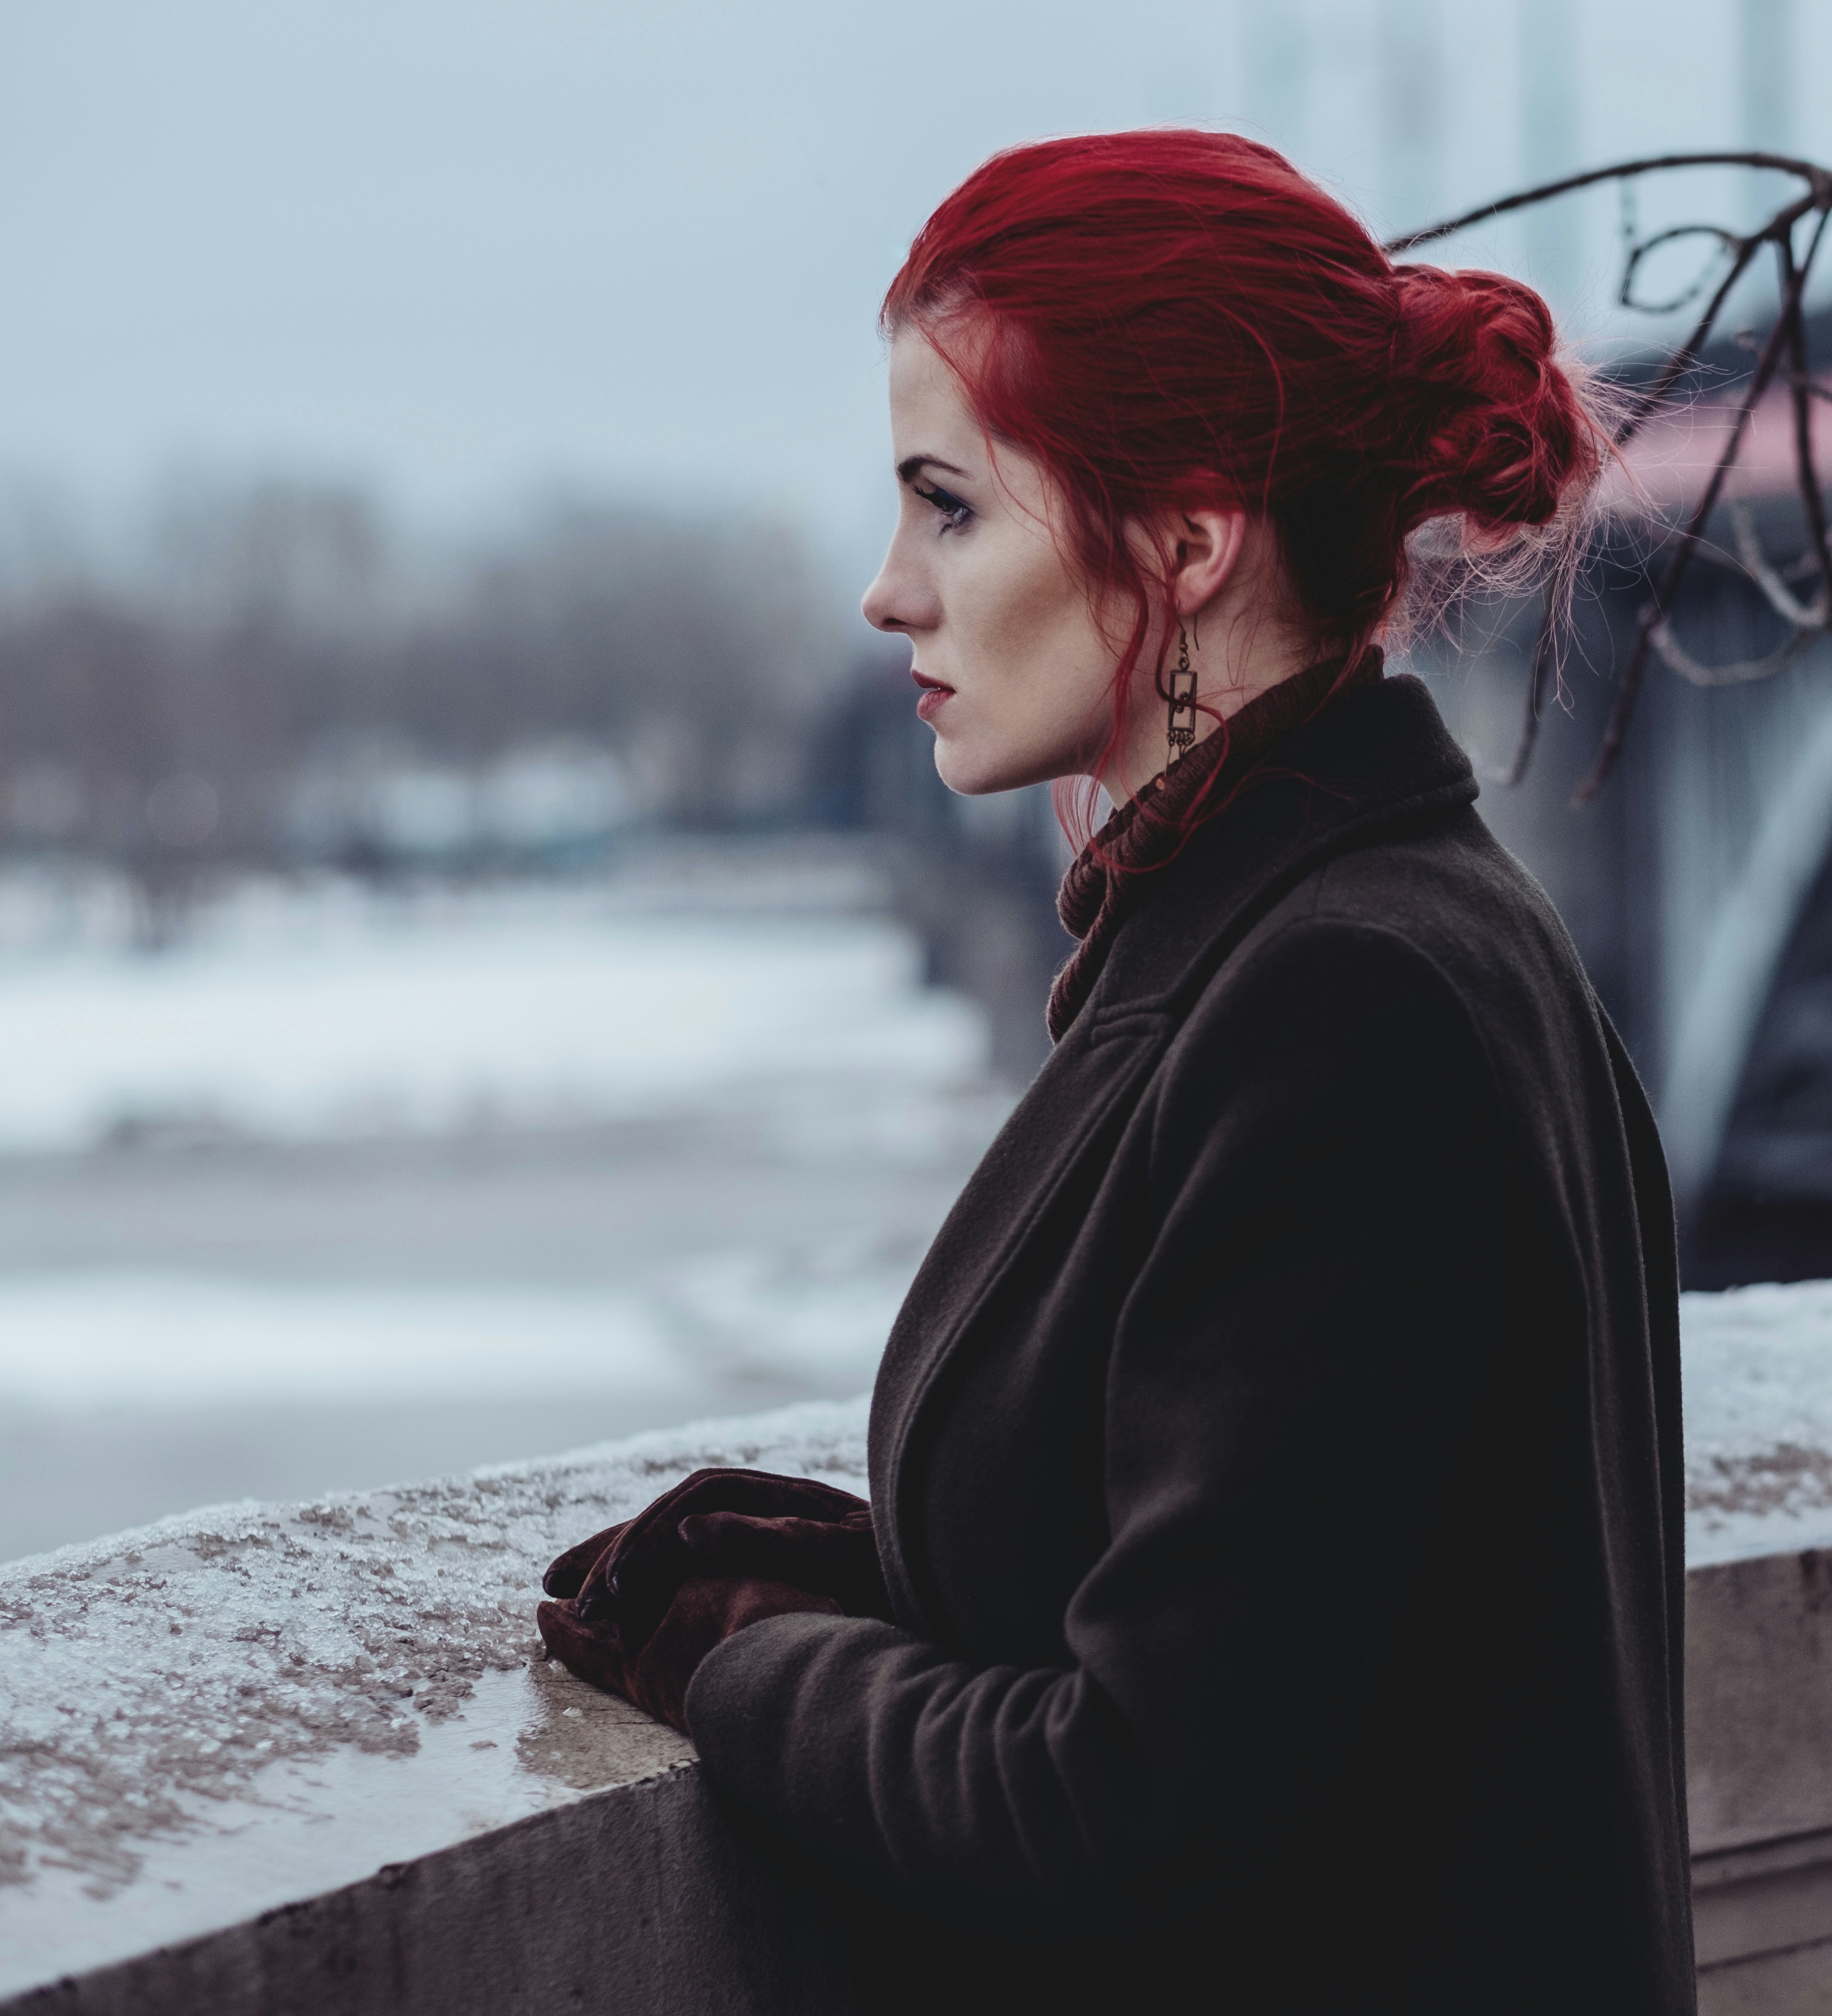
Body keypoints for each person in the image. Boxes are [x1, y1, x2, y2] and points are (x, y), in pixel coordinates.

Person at [536, 128, 1694, 2013]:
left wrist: (738, 1659)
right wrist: (872, 1578)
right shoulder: (1358, 933)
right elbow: (1302, 1628)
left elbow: (1136, 1811)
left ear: (1184, 536)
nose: (888, 593)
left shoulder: (1349, 1011)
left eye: (951, 506)